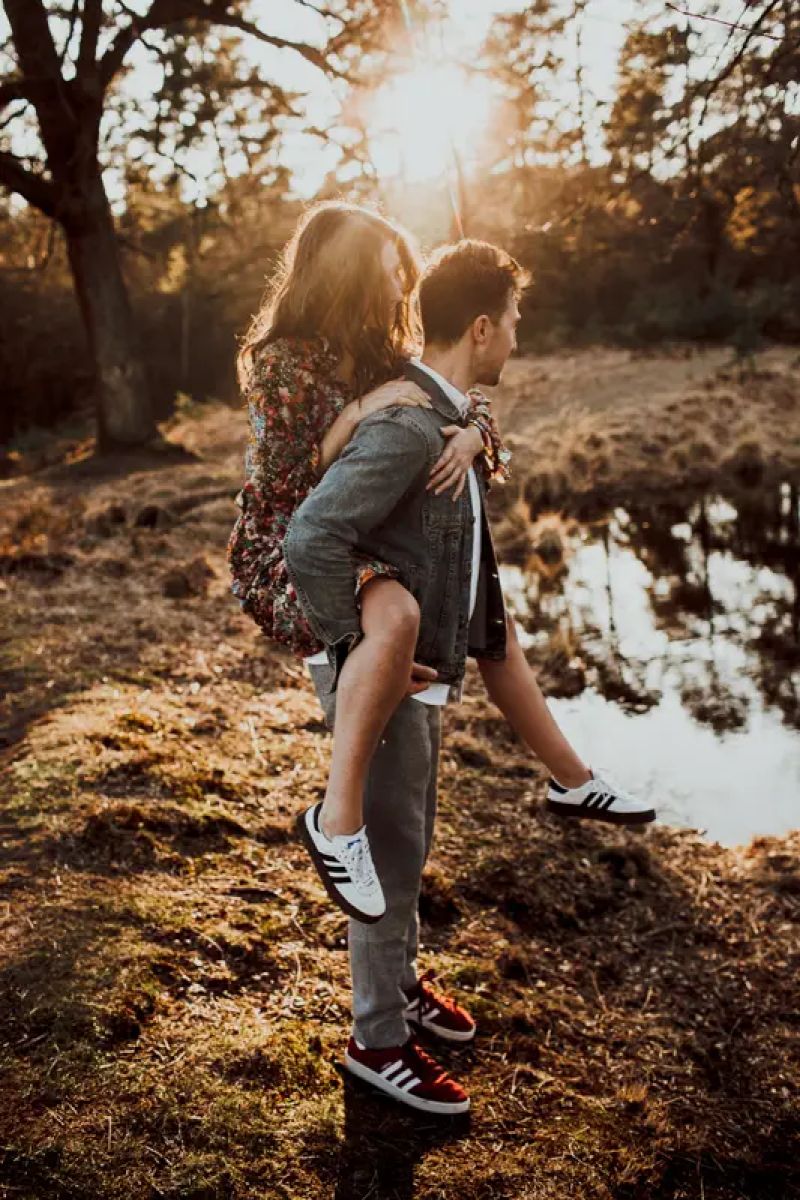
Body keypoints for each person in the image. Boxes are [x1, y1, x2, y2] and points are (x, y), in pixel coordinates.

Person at [283, 239, 656, 1115]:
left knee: (407, 841)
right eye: (516, 322)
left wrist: (474, 426)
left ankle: (400, 987)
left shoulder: (446, 414)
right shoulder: (409, 426)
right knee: (384, 848)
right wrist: (352, 648)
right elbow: (310, 538)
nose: (520, 339)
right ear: (482, 327)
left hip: (419, 666)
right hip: (382, 669)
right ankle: (377, 1040)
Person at [228, 201, 653, 928]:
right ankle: (336, 826)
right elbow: (290, 487)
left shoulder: (377, 350)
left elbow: (447, 395)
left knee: (491, 628)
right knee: (396, 619)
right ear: (349, 274)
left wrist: (470, 437)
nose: (403, 293)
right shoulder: (284, 360)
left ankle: (572, 778)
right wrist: (360, 413)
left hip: (362, 539)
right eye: (392, 276)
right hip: (289, 545)